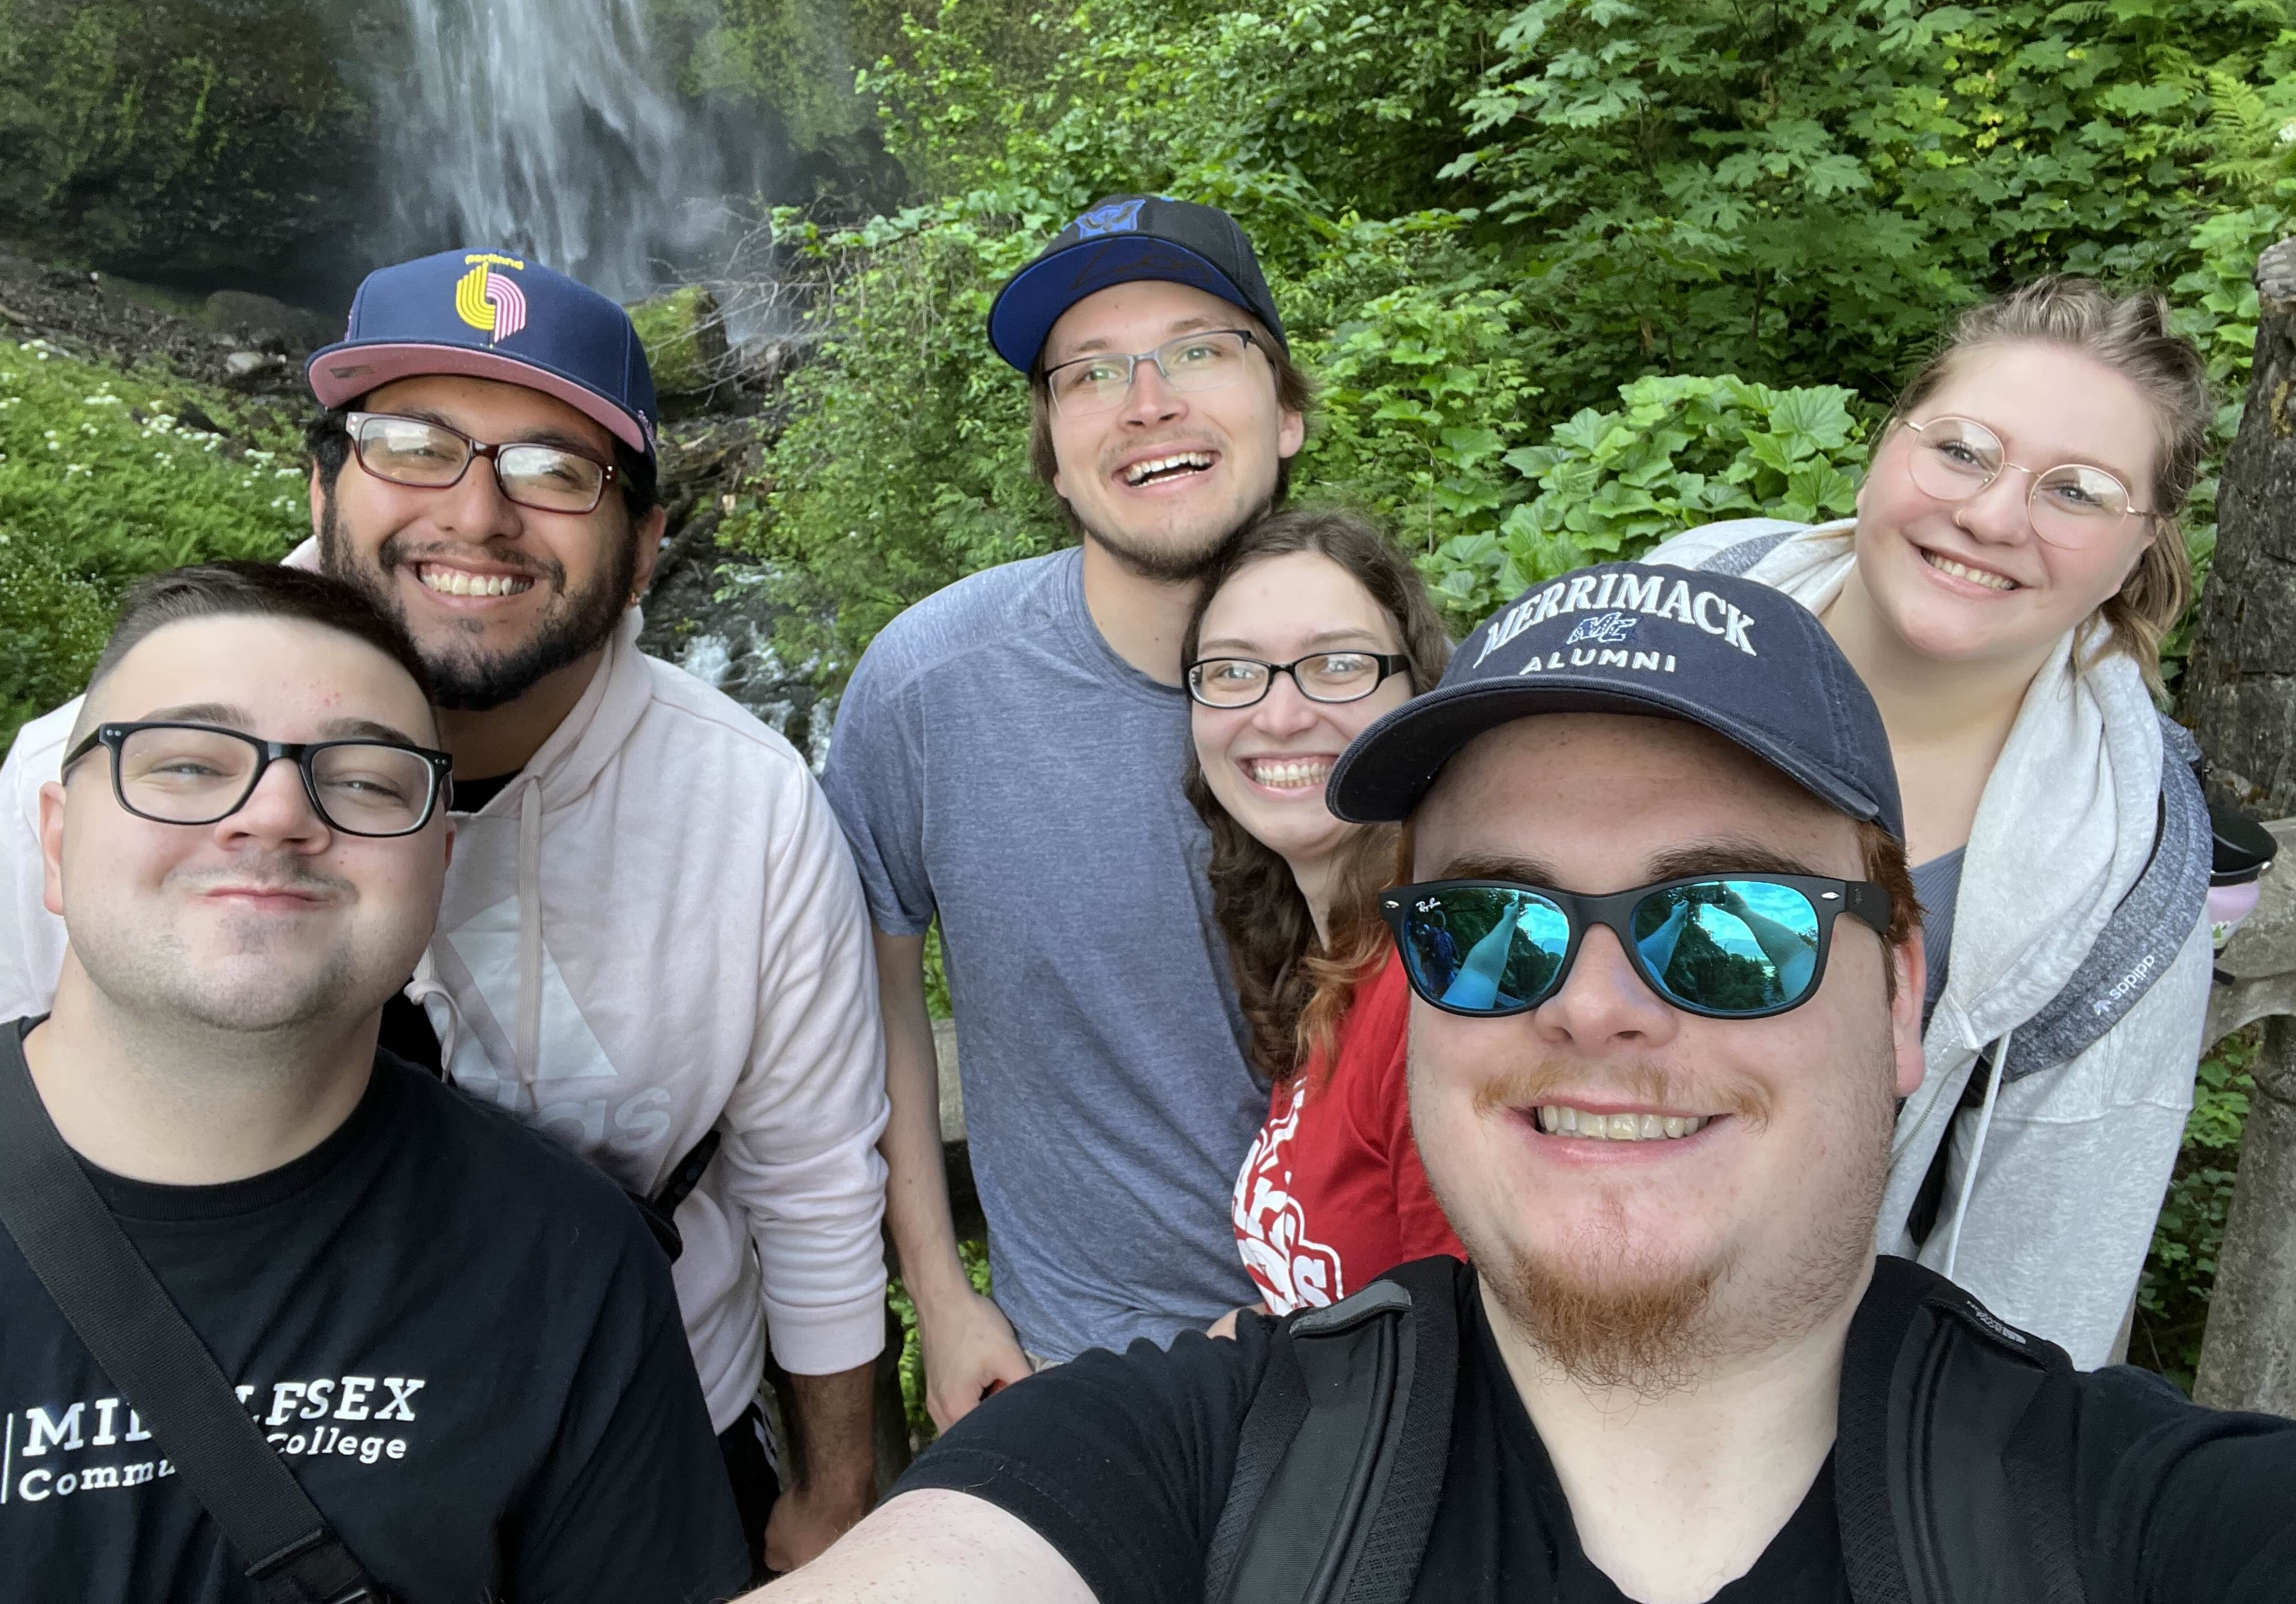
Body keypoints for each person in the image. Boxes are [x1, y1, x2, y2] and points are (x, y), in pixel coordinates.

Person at [742, 562, 2296, 1604]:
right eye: (1493, 927)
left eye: (1729, 927)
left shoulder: (2144, 1522)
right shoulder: (1185, 1469)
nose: (1595, 1007)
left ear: (1897, 986)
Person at [0, 248, 890, 1573]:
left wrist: (836, 1493)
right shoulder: (101, 774)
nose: (476, 515)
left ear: (647, 544)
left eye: (553, 469)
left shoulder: (749, 808)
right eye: (413, 443)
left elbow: (815, 1185)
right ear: (318, 484)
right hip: (151, 1433)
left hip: (647, 1428)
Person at [1, 563, 750, 1601]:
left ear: (439, 863)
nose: (271, 815)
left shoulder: (569, 1266)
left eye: (362, 780)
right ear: (55, 835)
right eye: (183, 764)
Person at [1649, 277, 2215, 1367]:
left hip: (1789, 1410)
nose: (1994, 517)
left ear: (2140, 549)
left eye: (2080, 492)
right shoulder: (1676, 602)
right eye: (1961, 449)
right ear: (1883, 447)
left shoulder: (2125, 888)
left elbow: (2031, 1307)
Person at [822, 196, 1311, 1418]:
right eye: (1090, 373)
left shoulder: (1396, 693)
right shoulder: (929, 685)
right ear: (1049, 445)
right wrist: (940, 1288)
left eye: (1199, 349)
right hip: (1066, 1375)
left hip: (1380, 1349)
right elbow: (866, 1006)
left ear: (1287, 409)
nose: (1149, 400)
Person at [1179, 507, 1462, 1315]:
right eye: (1234, 671)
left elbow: (1481, 1359)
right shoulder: (1333, 957)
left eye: (1337, 664)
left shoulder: (1435, 991)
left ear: (1417, 693)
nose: (1279, 715)